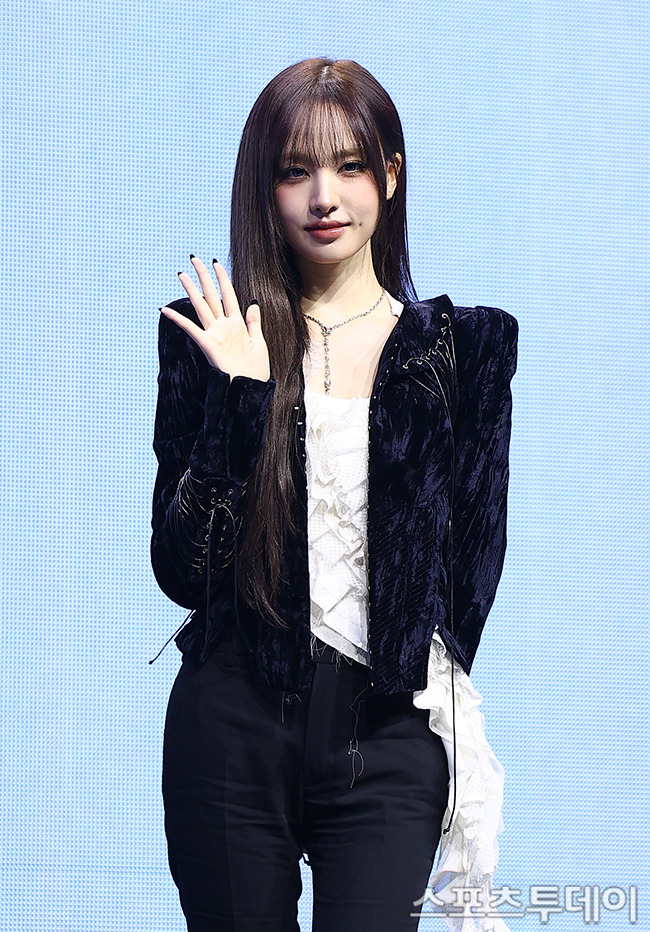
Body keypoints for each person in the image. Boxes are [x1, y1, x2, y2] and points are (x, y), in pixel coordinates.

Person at [152, 58, 518, 932]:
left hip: (387, 730)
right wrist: (241, 397)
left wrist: (409, 695)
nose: (325, 196)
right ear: (264, 185)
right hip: (230, 722)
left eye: (350, 166)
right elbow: (180, 570)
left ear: (389, 175)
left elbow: (472, 569)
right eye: (295, 171)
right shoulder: (211, 332)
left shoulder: (463, 349)